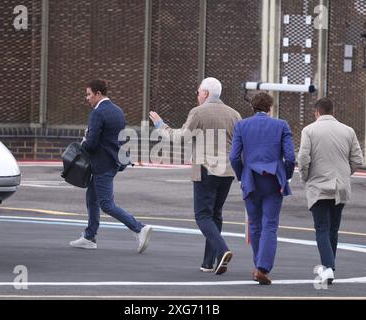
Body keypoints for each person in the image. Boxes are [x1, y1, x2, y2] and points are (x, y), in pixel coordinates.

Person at [149, 77, 241, 275]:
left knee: (202, 215)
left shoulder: (199, 112)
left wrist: (160, 125)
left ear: (205, 94)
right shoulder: (235, 115)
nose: (197, 95)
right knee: (216, 214)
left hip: (205, 168)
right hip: (227, 170)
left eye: (199, 92)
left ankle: (222, 249)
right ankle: (210, 262)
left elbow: (180, 137)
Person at [69, 79, 153, 253]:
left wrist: (83, 142)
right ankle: (89, 237)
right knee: (92, 197)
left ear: (98, 94)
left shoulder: (97, 113)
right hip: (114, 161)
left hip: (102, 164)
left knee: (106, 204)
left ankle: (139, 228)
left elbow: (91, 144)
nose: (87, 98)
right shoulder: (118, 111)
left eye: (89, 94)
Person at [229, 92, 295, 285]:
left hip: (250, 178)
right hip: (273, 179)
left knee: (255, 224)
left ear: (253, 107)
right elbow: (290, 157)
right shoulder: (281, 125)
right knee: (270, 224)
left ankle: (259, 265)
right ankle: (262, 268)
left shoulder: (241, 125)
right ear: (270, 107)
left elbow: (234, 157)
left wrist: (242, 175)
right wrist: (286, 175)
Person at [298, 97, 363, 285]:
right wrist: (345, 173)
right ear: (333, 111)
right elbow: (357, 159)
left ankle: (327, 268)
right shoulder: (348, 131)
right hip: (340, 187)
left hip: (318, 186)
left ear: (317, 112)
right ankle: (330, 267)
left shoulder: (309, 130)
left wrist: (305, 177)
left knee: (321, 228)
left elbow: (303, 158)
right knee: (333, 229)